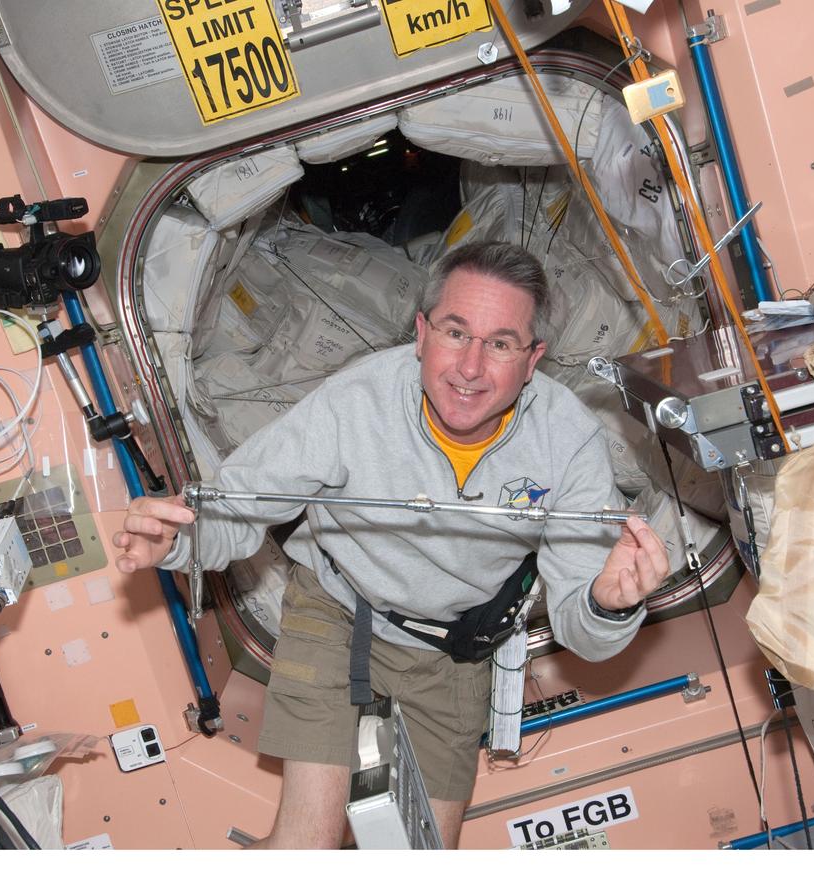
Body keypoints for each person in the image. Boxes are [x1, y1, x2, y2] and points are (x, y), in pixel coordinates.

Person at [113, 240, 671, 848]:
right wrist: (177, 541)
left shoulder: (568, 442)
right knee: (306, 846)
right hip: (339, 611)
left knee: (420, 852)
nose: (470, 367)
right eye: (455, 333)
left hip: (455, 649)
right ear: (422, 334)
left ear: (533, 359)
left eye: (500, 344)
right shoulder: (355, 402)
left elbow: (583, 632)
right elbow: (236, 508)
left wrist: (609, 605)